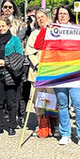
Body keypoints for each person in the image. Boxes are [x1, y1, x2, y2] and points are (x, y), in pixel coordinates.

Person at [52, 6, 80, 147]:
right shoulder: (52, 30)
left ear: (69, 16)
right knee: (62, 104)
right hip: (59, 72)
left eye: (65, 14)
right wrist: (45, 30)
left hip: (75, 72)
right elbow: (40, 45)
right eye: (60, 14)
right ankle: (66, 134)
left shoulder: (77, 30)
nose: (62, 16)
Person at [0, 16, 24, 137]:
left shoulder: (15, 40)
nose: (1, 28)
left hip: (11, 73)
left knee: (11, 102)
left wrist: (6, 61)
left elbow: (19, 55)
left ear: (8, 26)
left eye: (3, 26)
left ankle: (12, 126)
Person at [24, 7, 54, 137]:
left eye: (42, 16)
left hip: (52, 69)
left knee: (51, 97)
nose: (41, 19)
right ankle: (41, 123)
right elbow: (30, 51)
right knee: (39, 98)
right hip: (38, 70)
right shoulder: (34, 34)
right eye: (38, 18)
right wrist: (37, 64)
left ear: (48, 17)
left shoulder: (54, 31)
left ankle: (53, 124)